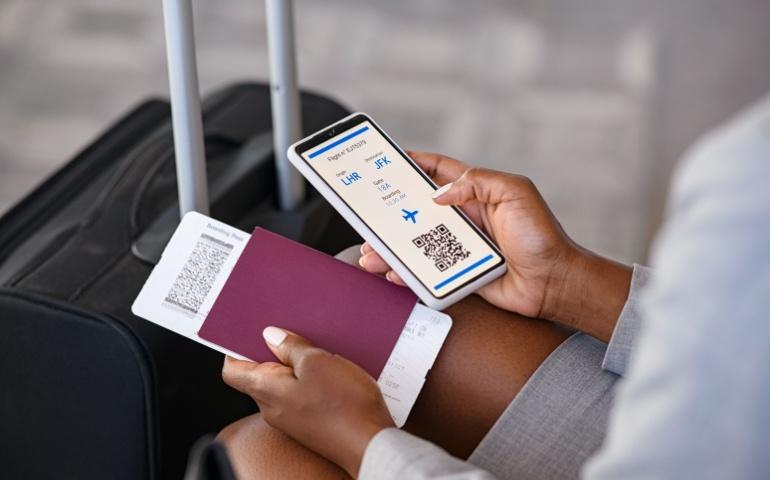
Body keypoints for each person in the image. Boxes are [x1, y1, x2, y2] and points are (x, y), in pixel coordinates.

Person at [216, 93, 770, 479]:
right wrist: (566, 282)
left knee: (253, 455)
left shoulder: (745, 184)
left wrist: (362, 444)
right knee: (384, 293)